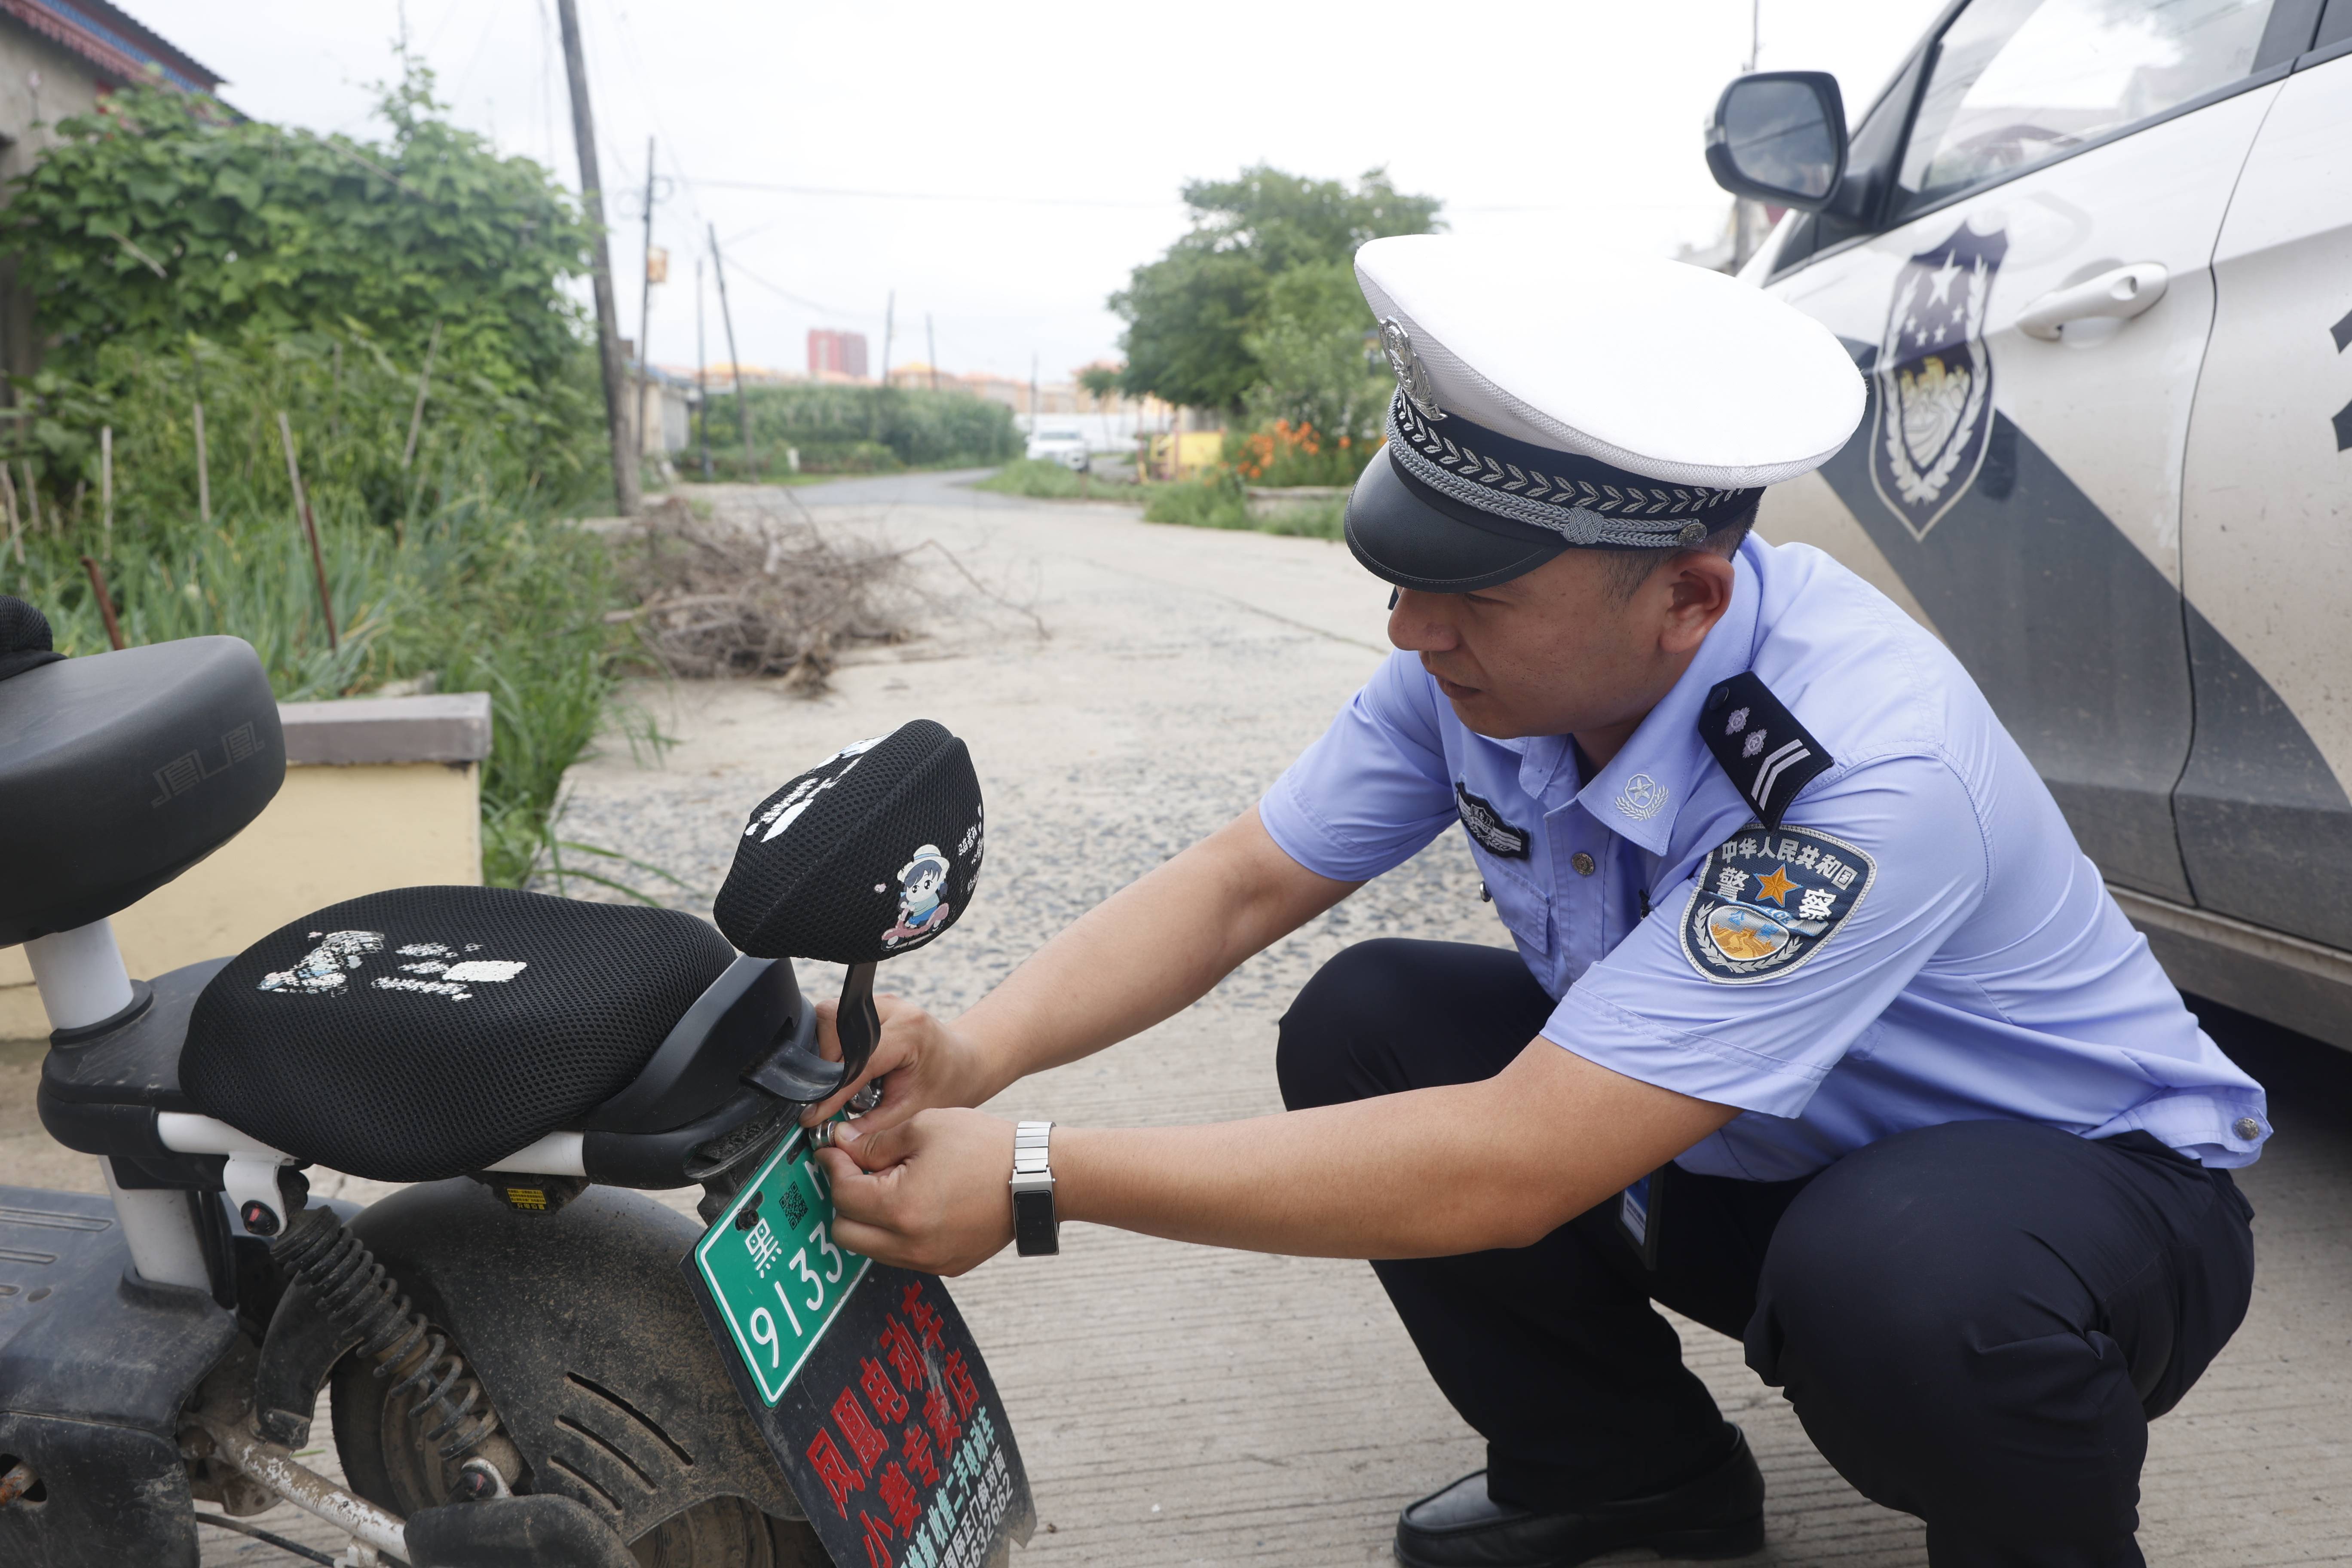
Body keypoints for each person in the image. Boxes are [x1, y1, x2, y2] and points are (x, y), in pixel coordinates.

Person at [805, 236, 2266, 1568]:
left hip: (2079, 1204)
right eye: (1404, 577)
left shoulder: (1864, 768)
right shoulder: (1482, 679)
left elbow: (1517, 1164)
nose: (1407, 630)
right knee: (1369, 1021)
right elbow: (1240, 884)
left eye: (1474, 596)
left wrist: (1036, 1172)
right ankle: (1626, 1473)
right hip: (1757, 1151)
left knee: (1903, 1282)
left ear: (1688, 600)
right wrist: (977, 1053)